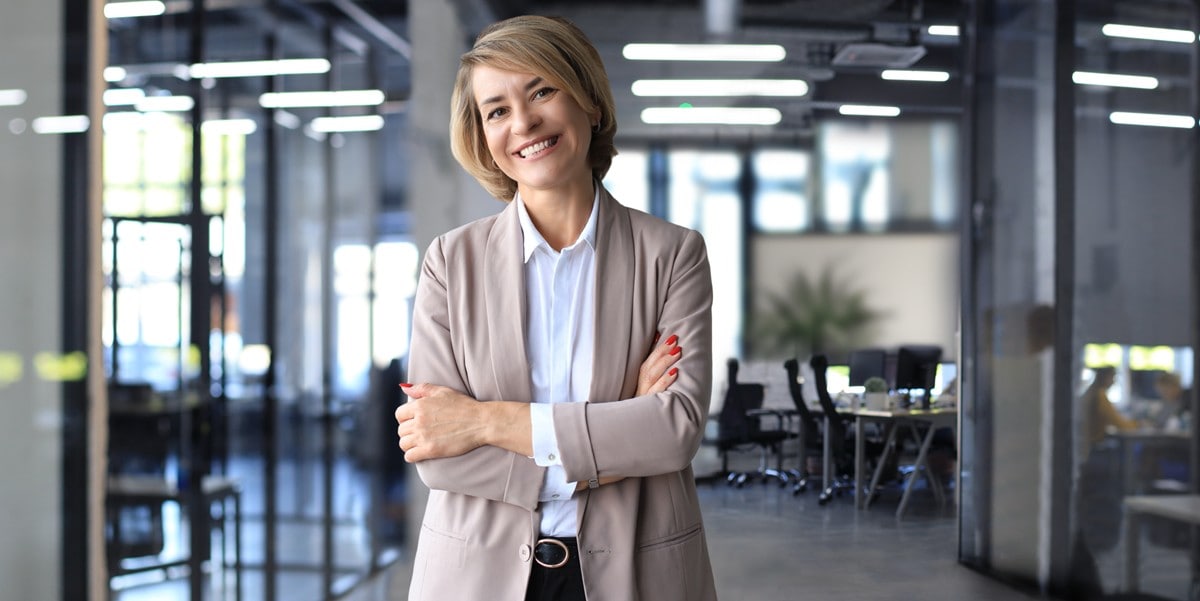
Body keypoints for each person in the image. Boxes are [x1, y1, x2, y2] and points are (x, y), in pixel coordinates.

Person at [393, 15, 716, 601]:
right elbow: (437, 455)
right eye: (496, 110)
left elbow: (674, 431)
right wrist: (617, 436)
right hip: (476, 577)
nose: (523, 122)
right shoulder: (450, 261)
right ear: (483, 135)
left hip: (637, 573)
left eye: (542, 90)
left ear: (591, 102)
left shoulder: (673, 255)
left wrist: (484, 421)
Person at [1083, 365, 1137, 446]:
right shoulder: (1100, 395)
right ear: (1105, 377)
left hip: (1088, 442)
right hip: (1094, 444)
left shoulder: (1092, 392)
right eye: (1113, 377)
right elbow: (1118, 423)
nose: (1113, 382)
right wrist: (1137, 424)